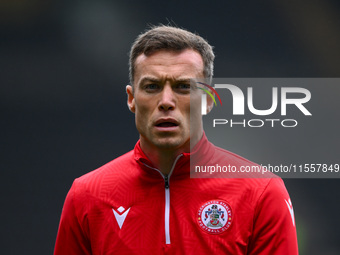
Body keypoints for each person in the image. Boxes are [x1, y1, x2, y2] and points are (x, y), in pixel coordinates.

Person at [54, 25, 298, 254]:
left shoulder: (261, 192)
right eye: (152, 87)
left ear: (209, 100)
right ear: (131, 99)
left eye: (183, 86)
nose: (166, 101)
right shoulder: (87, 196)